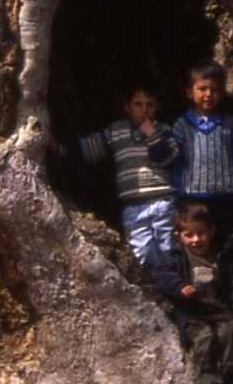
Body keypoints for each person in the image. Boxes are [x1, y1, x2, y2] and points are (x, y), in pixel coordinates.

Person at [147, 201, 233, 384]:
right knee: (203, 339)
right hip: (194, 314)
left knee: (230, 335)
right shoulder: (176, 258)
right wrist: (180, 287)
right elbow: (162, 276)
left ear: (212, 231)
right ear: (179, 236)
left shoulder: (223, 256)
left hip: (221, 311)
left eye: (201, 233)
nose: (196, 240)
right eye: (189, 235)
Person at [76, 83, 177, 262]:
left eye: (150, 105)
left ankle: (171, 286)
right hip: (133, 205)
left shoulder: (164, 130)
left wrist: (152, 135)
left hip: (163, 202)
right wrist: (60, 149)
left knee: (167, 250)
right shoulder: (117, 131)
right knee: (142, 254)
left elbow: (167, 158)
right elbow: (90, 149)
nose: (144, 110)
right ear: (127, 107)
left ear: (157, 107)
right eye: (138, 104)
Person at [170, 60, 233, 239]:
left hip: (228, 196)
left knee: (232, 238)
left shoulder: (230, 123)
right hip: (193, 197)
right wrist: (177, 192)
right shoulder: (182, 126)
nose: (209, 94)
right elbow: (177, 161)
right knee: (198, 237)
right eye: (203, 89)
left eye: (214, 89)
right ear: (189, 92)